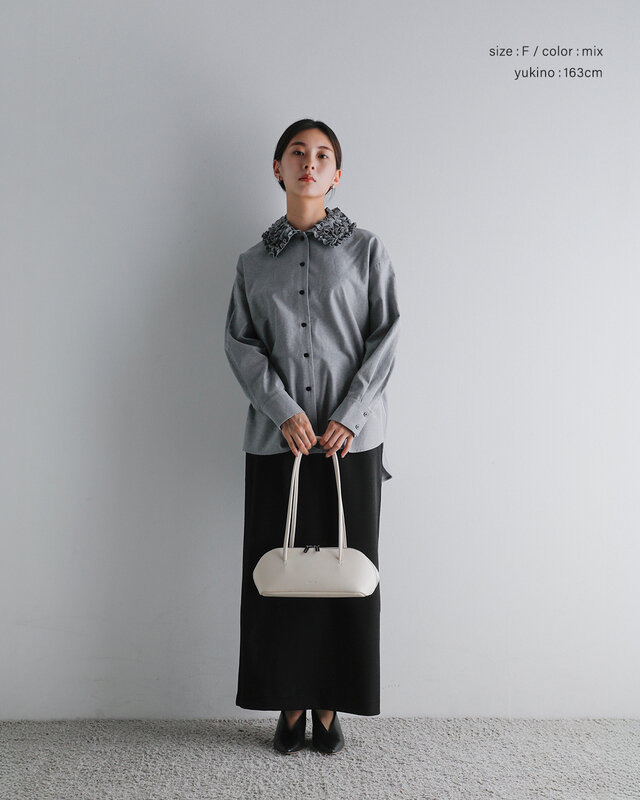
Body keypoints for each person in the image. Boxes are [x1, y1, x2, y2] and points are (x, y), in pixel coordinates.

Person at [224, 119, 400, 754]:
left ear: (337, 174)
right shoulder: (252, 263)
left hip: (351, 442)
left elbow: (385, 336)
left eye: (323, 155)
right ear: (277, 167)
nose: (310, 162)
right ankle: (289, 704)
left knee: (344, 572)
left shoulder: (367, 251)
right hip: (280, 442)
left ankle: (331, 706)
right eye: (297, 153)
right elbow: (240, 343)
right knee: (279, 572)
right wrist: (282, 410)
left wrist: (349, 413)